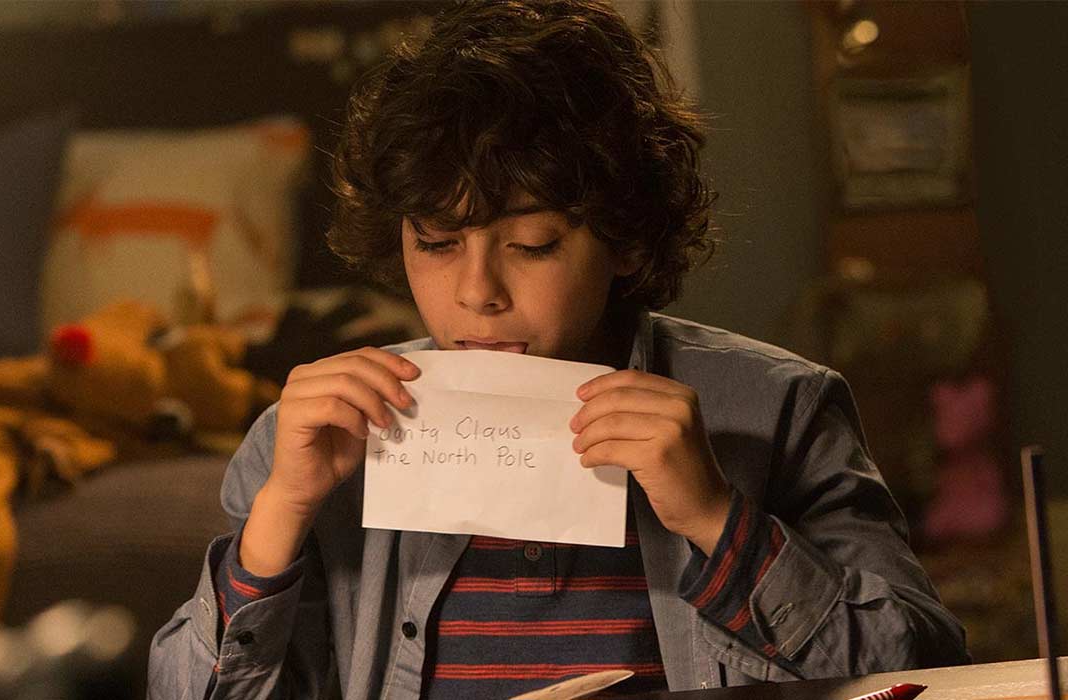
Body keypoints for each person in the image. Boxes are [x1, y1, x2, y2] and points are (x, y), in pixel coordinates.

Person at [148, 1, 969, 697]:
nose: (477, 293)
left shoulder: (780, 409)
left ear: (625, 239)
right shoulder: (307, 441)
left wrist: (716, 521)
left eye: (532, 245)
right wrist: (279, 518)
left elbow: (927, 671)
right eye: (436, 242)